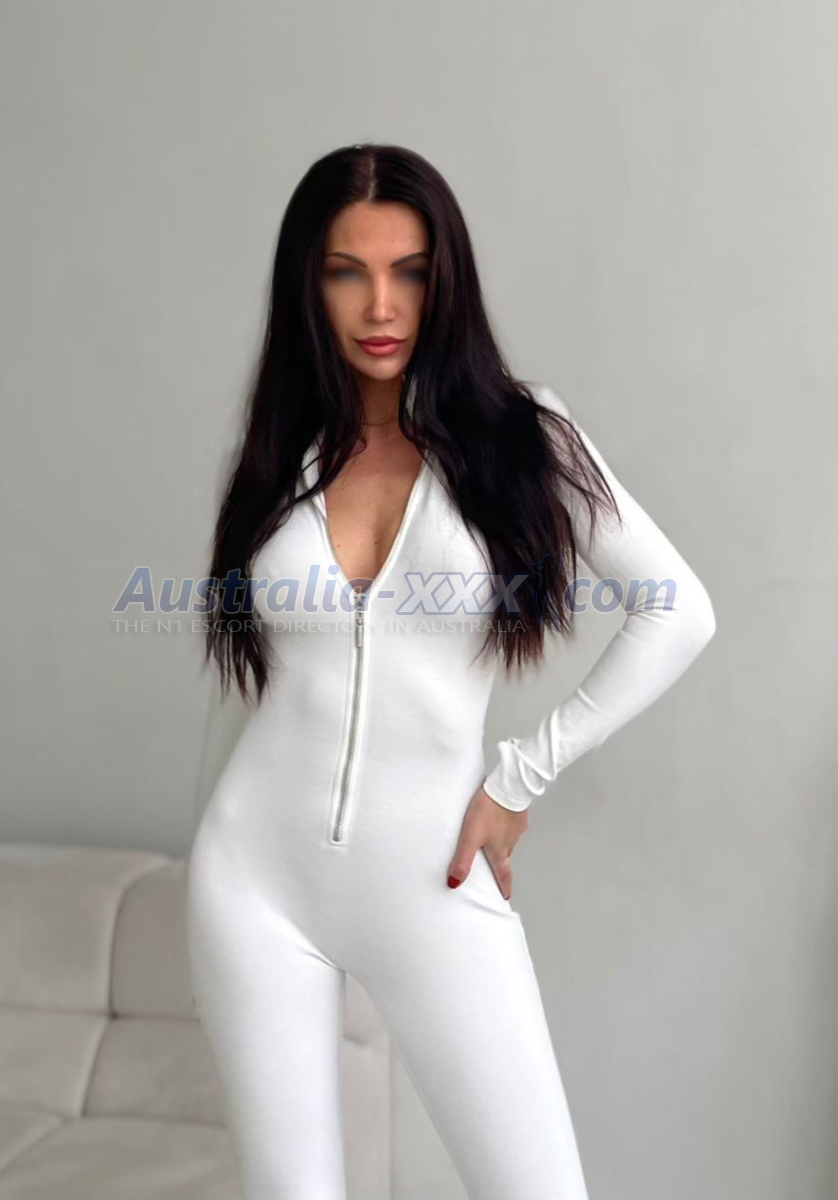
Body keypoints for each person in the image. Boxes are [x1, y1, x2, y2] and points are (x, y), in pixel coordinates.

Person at [184, 142, 716, 1200]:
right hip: (251, 882)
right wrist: (203, 838)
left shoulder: (524, 438)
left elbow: (677, 611)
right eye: (346, 272)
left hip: (433, 876)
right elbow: (251, 685)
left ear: (446, 281)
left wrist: (518, 779)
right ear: (307, 286)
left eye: (410, 272)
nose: (380, 305)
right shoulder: (280, 452)